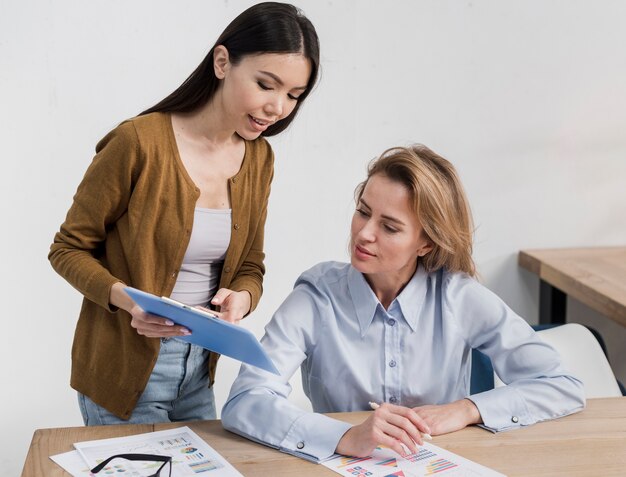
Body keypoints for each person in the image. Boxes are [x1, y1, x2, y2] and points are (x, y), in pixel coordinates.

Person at [221, 144, 586, 462]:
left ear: (425, 243)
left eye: (390, 227)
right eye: (363, 212)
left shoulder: (458, 296)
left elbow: (560, 384)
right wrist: (345, 437)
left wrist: (468, 409)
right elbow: (246, 400)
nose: (364, 234)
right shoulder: (316, 296)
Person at [48, 2, 320, 425]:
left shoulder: (259, 159)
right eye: (267, 85)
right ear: (223, 61)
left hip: (199, 372)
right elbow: (67, 250)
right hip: (125, 373)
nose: (278, 108)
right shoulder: (138, 143)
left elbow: (251, 264)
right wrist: (130, 302)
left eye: (293, 96)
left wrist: (241, 300)